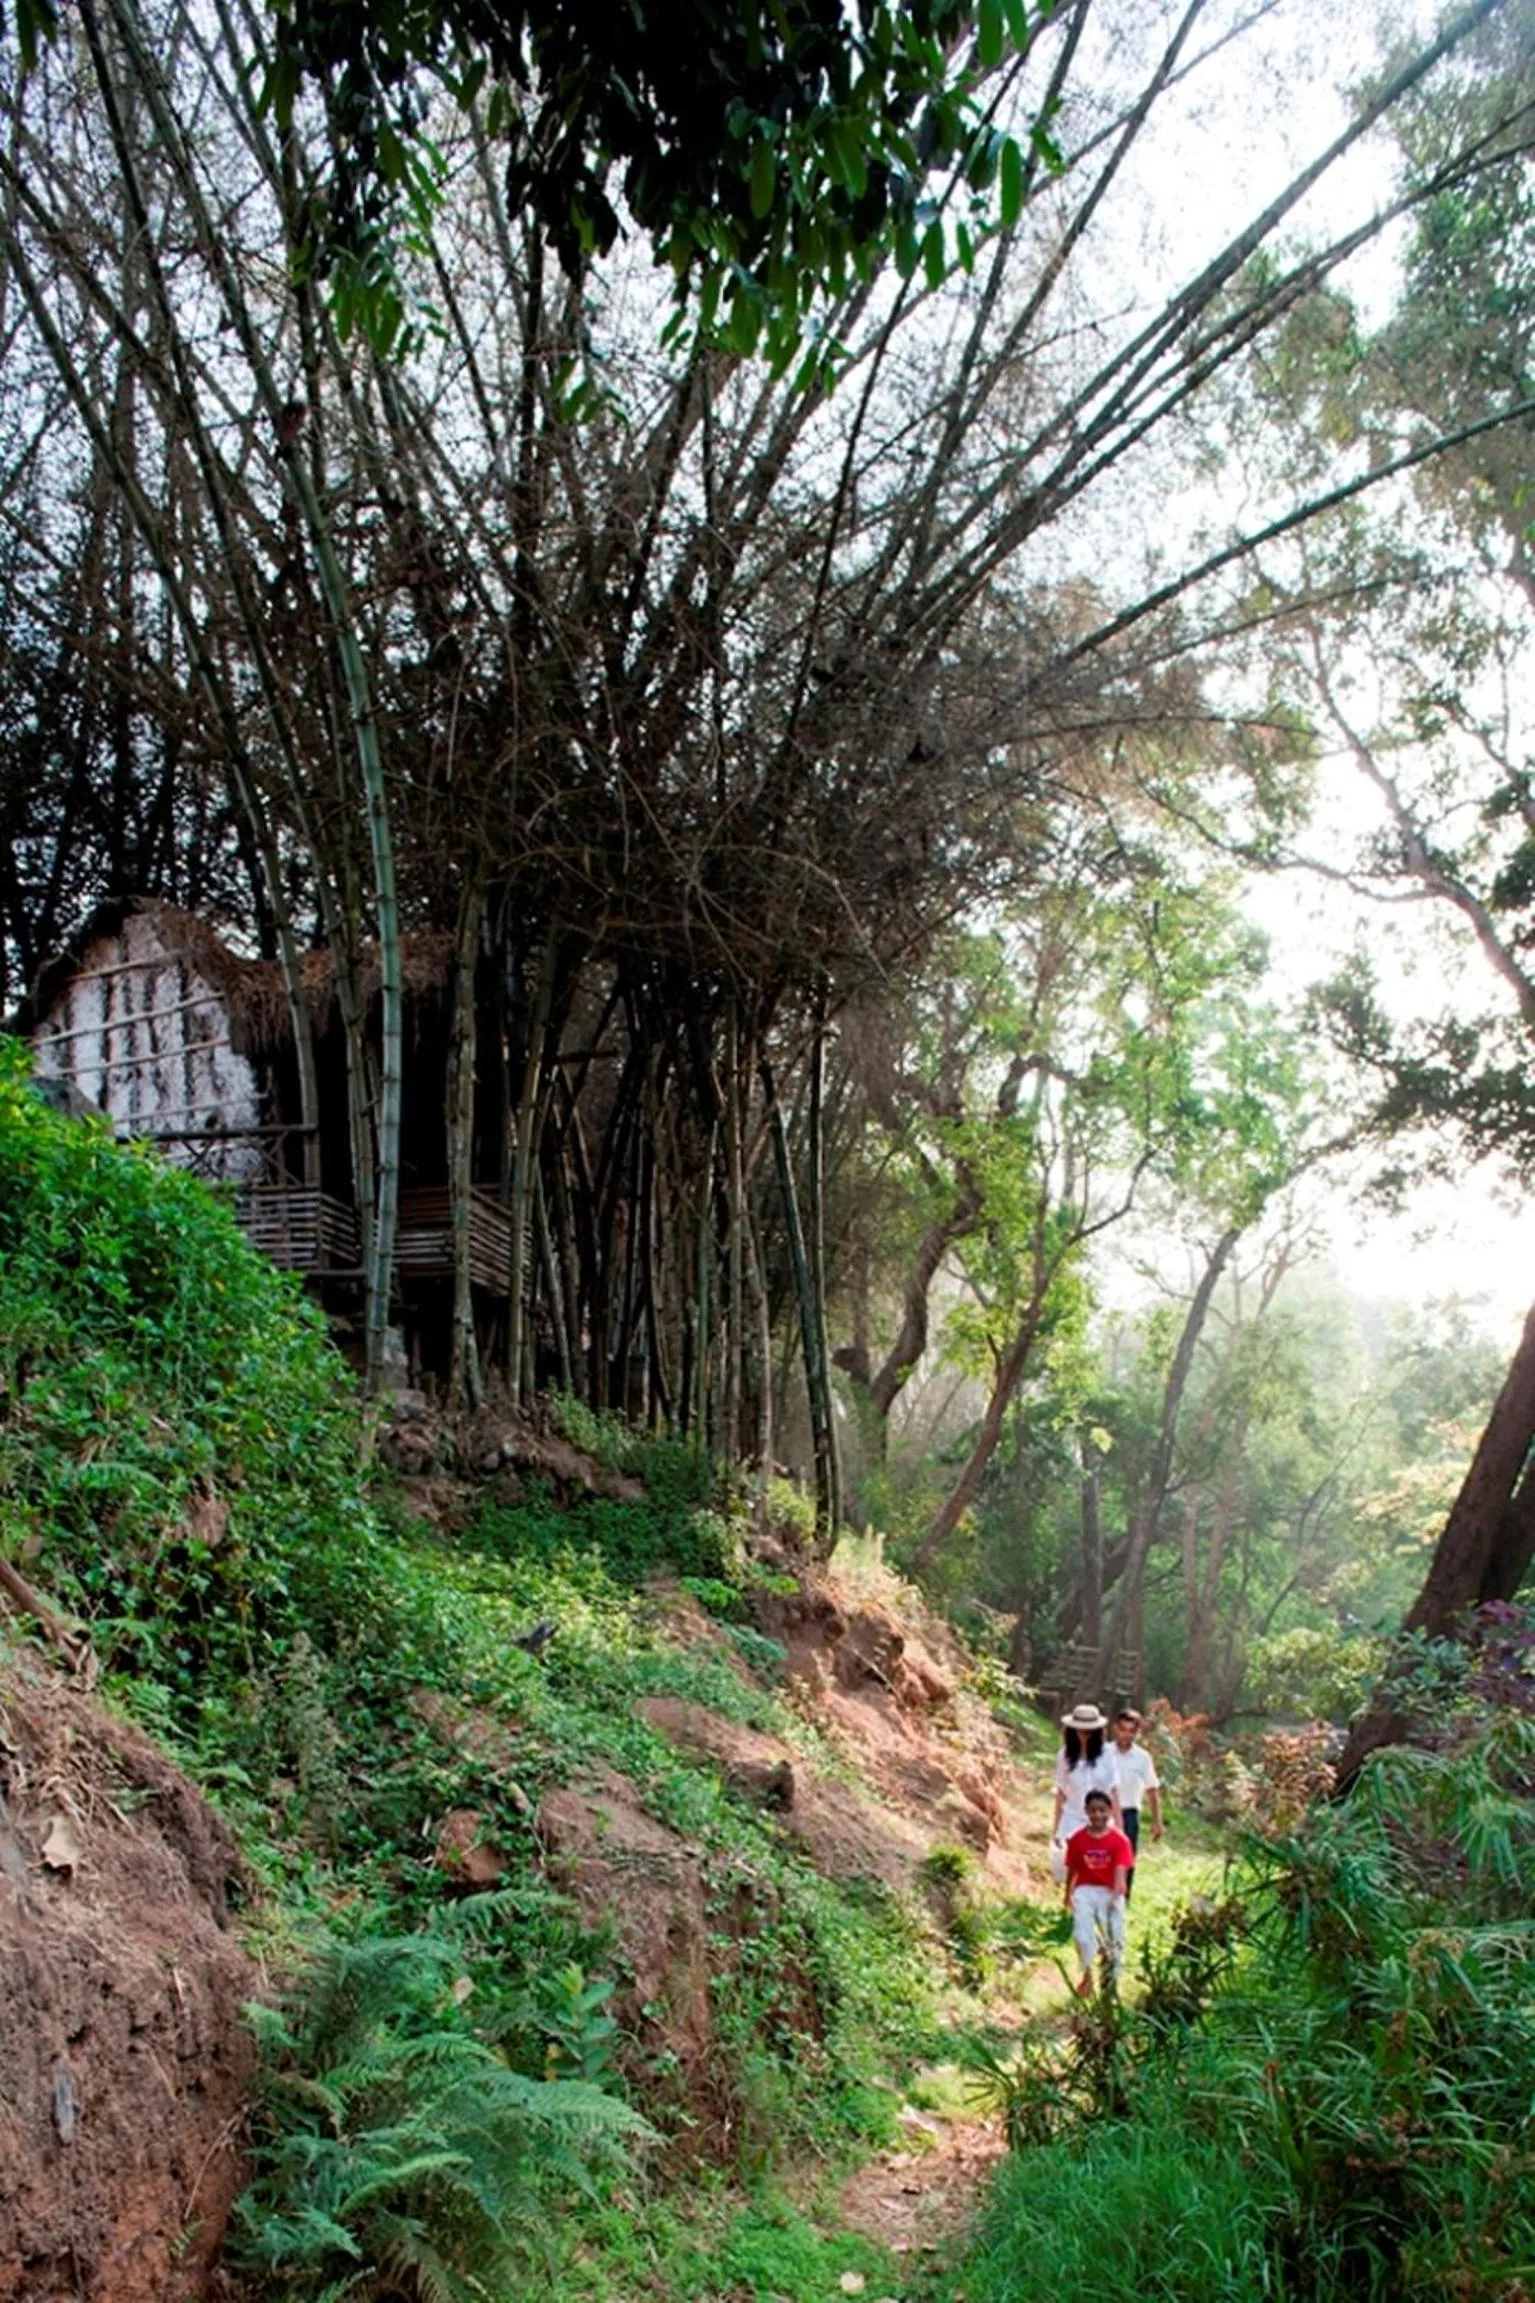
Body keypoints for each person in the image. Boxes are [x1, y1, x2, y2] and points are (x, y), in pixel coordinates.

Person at [1062, 1787, 1133, 1996]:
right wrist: (1068, 1894)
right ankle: (1087, 1976)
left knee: (1115, 1940)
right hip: (1084, 1891)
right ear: (1086, 1812)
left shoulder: (1119, 1841)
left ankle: (1111, 1986)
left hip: (1110, 1893)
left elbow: (1121, 1868)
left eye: (1102, 1810)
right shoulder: (1077, 1840)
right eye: (1093, 1810)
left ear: (1110, 1812)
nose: (1097, 1815)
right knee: (1082, 1936)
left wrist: (1117, 1892)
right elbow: (1073, 1868)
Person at [1050, 1701, 1121, 1882]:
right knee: (1072, 1866)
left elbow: (1113, 1791)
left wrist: (1119, 1827)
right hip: (1073, 1817)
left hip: (1100, 1818)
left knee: (1097, 1865)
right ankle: (1072, 1902)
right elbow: (1060, 1792)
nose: (1084, 1735)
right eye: (1080, 1730)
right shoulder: (1064, 1755)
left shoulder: (1106, 1755)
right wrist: (1056, 1828)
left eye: (1089, 1731)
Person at [1111, 1707, 1163, 1902]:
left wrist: (1157, 1822)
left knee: (1126, 1859)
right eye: (1123, 1729)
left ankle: (1122, 1901)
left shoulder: (1142, 1758)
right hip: (1104, 1814)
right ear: (1116, 1729)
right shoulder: (1104, 1752)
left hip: (1129, 1813)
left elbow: (1152, 1789)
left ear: (1137, 1733)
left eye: (1132, 1730)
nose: (1127, 1734)